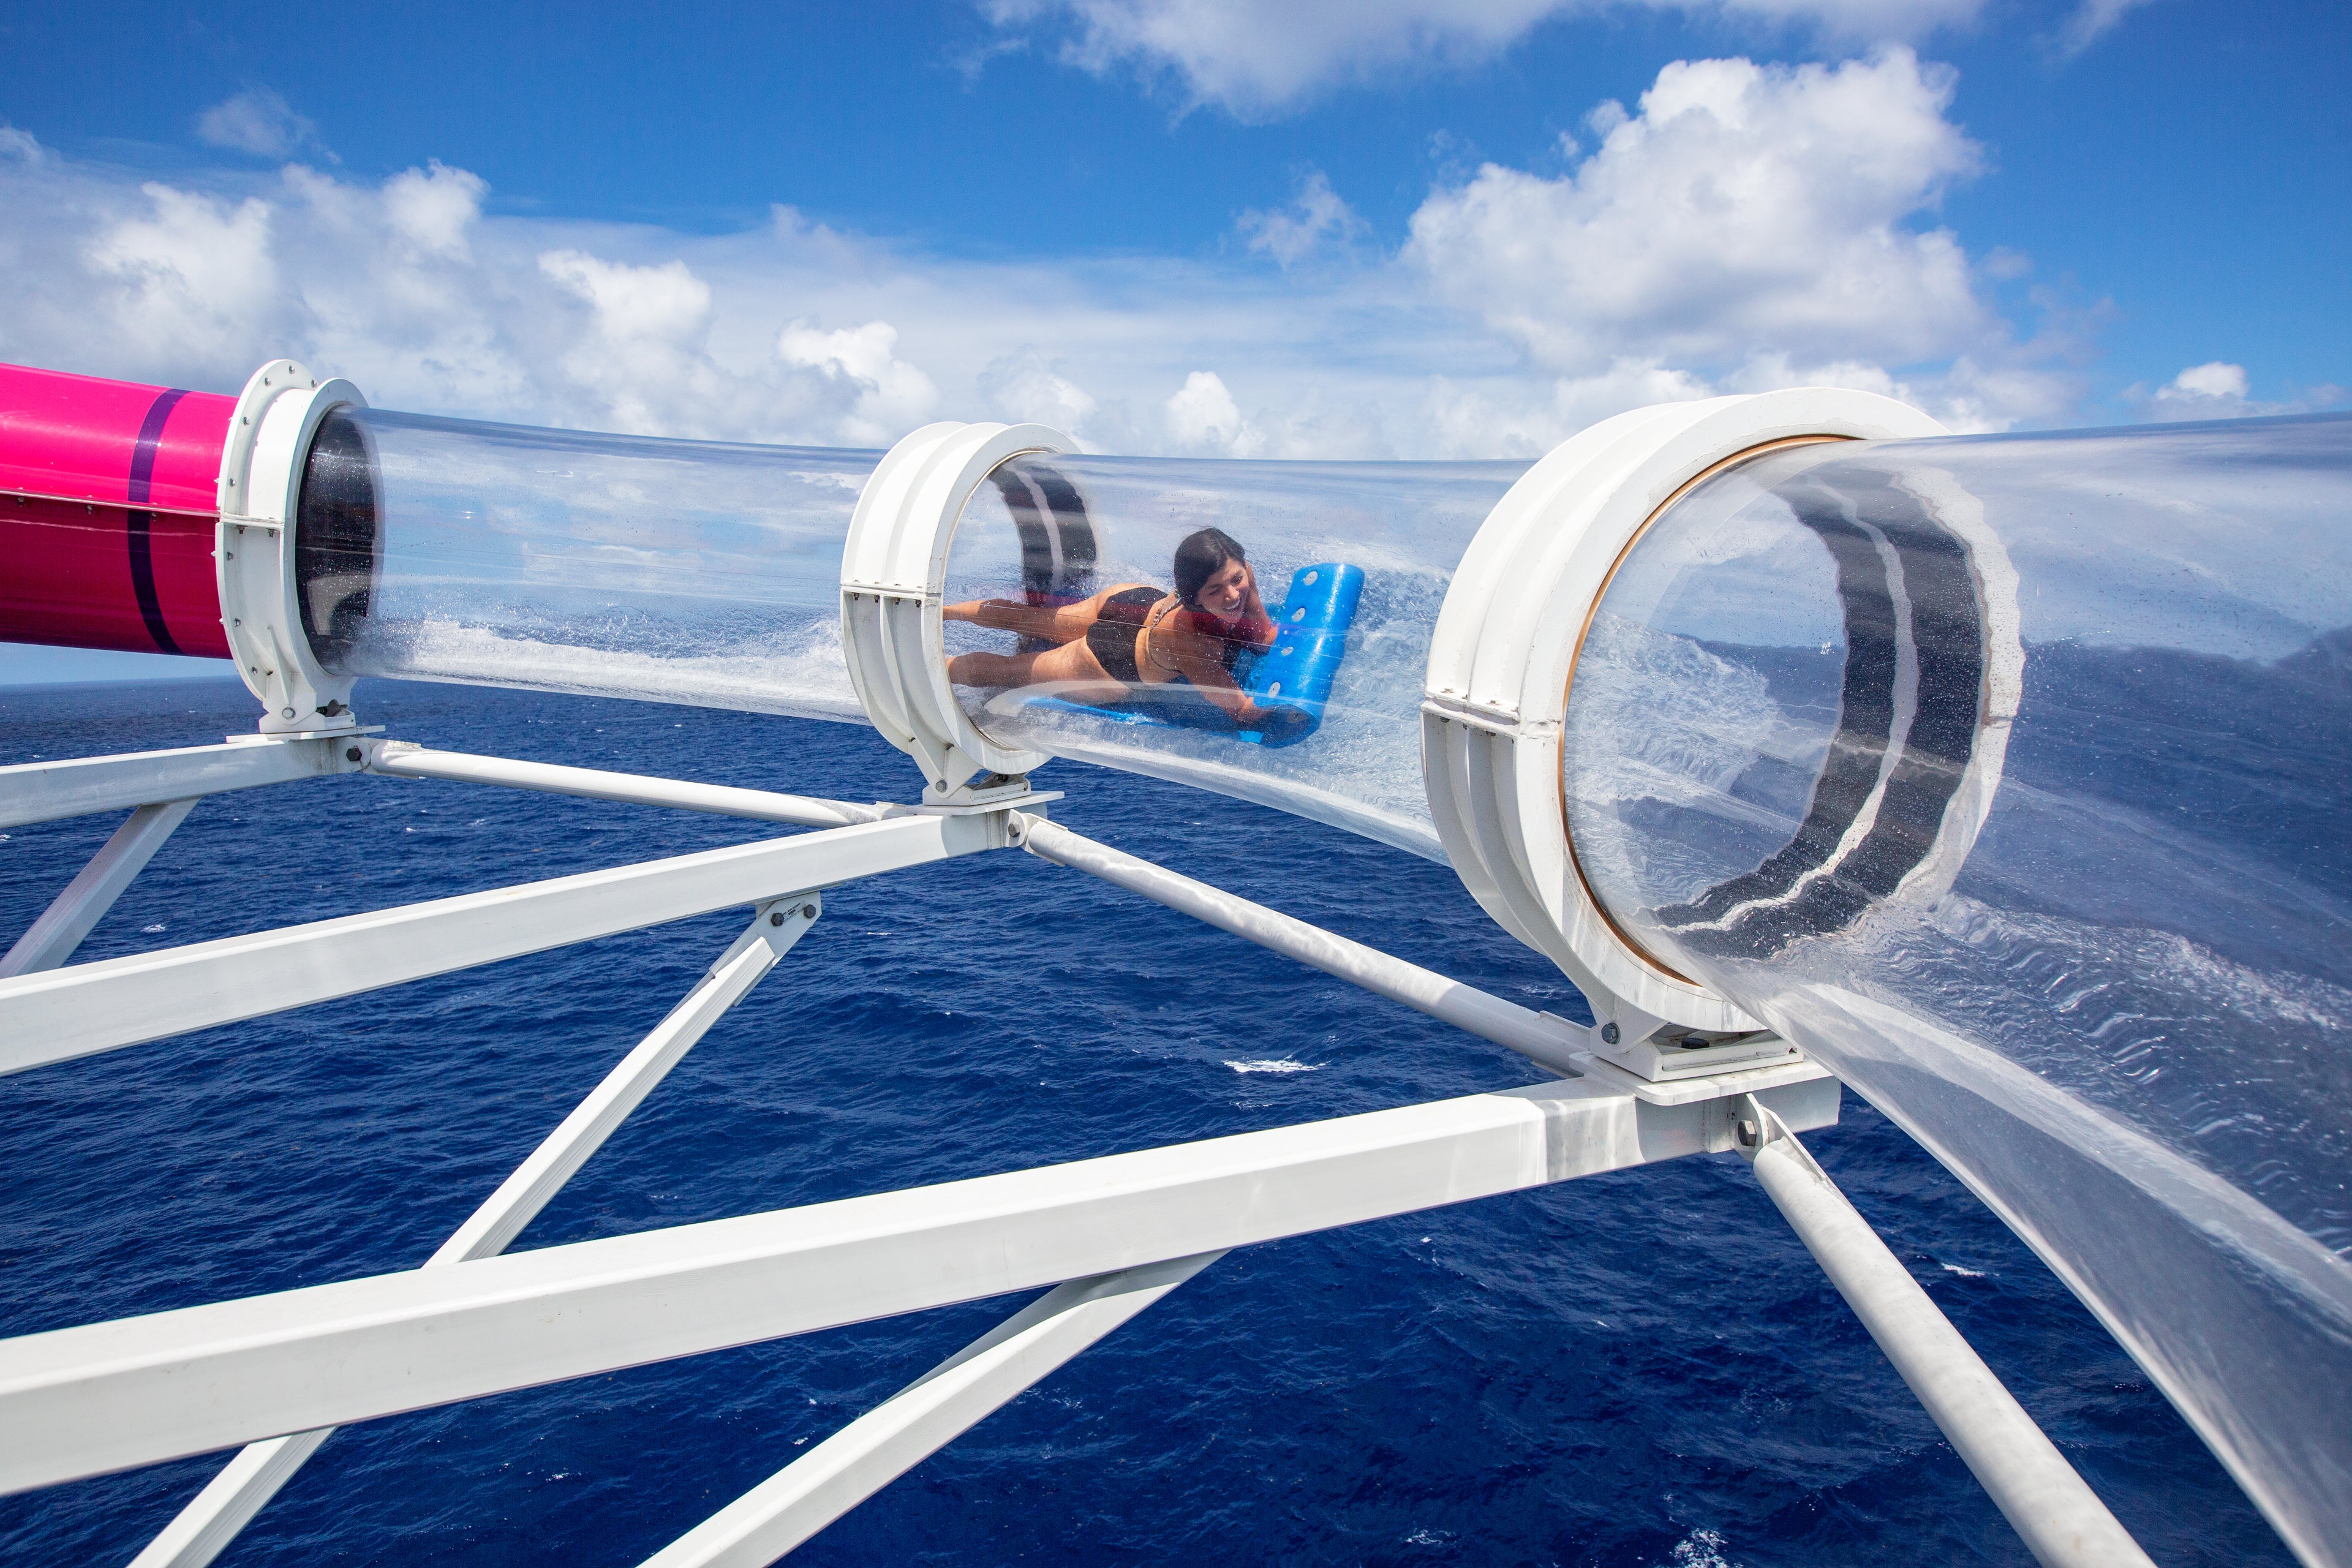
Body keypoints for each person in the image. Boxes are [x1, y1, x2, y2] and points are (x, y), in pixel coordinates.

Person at [945, 527, 1298, 734]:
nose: (1234, 593)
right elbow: (1242, 711)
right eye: (1215, 591)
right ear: (1193, 596)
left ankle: (945, 611)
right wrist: (1295, 706)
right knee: (1008, 673)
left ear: (1241, 567)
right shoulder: (1190, 641)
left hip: (1132, 602)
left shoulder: (1240, 573)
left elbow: (1262, 634)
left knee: (1034, 620)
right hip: (1108, 659)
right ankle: (931, 664)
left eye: (1236, 580)